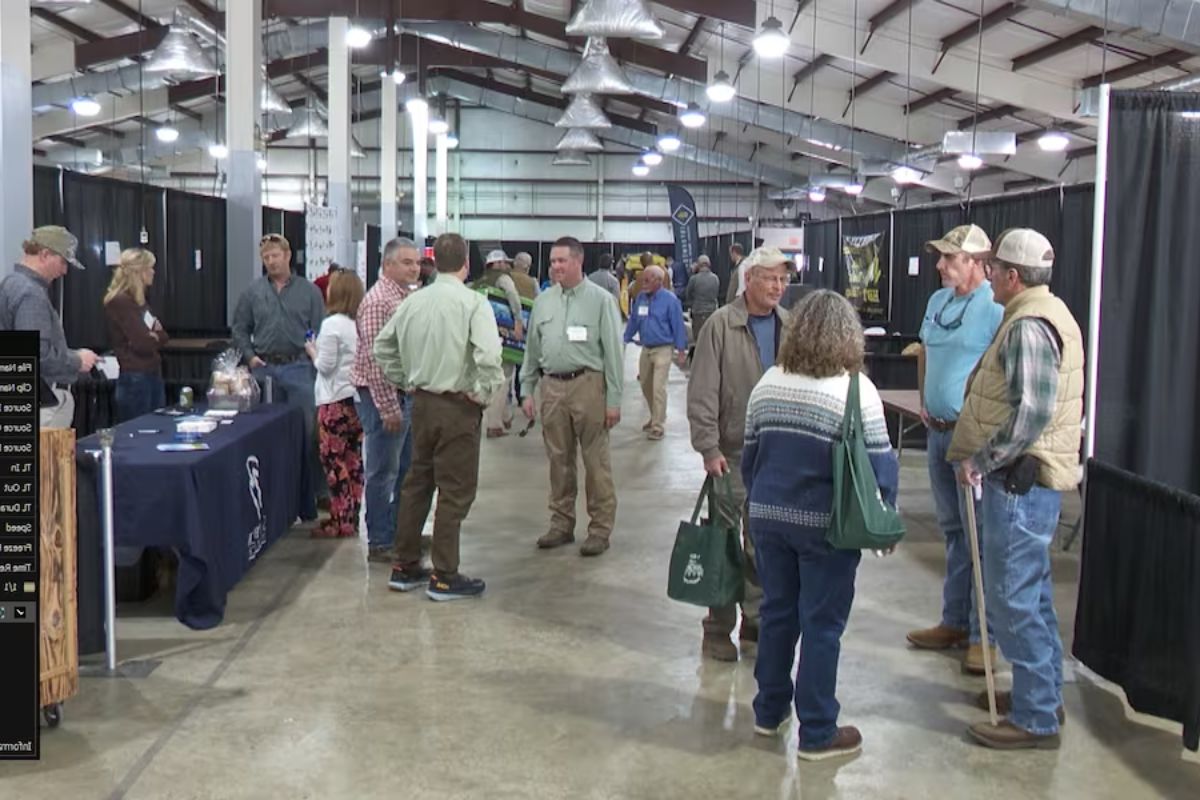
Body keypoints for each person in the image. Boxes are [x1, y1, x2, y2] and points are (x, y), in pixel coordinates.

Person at [743, 289, 898, 761]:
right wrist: (884, 512)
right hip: (827, 527)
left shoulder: (768, 382)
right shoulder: (856, 390)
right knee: (822, 625)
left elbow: (750, 455)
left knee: (776, 614)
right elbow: (880, 466)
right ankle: (817, 732)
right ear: (848, 337)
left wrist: (765, 503)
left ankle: (769, 713)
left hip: (768, 518)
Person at [948, 228, 1083, 751]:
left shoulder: (1029, 324)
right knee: (1033, 594)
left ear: (1012, 276)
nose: (990, 275)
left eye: (994, 267)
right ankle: (1042, 697)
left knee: (1013, 599)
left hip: (1017, 483)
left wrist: (982, 460)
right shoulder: (1050, 313)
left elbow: (1030, 411)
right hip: (1028, 483)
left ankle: (1035, 717)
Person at [375, 233, 505, 601]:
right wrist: (481, 392)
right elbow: (488, 356)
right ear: (466, 263)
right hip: (456, 406)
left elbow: (382, 346)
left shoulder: (413, 302)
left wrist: (404, 379)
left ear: (433, 261)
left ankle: (405, 565)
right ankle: (445, 574)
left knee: (418, 483)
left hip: (422, 404)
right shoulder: (473, 303)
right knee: (455, 490)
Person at [687, 246, 792, 662]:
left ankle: (756, 621)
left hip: (777, 455)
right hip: (730, 454)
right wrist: (708, 447)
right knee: (724, 545)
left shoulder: (790, 325)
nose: (779, 288)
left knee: (763, 546)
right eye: (771, 279)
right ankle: (717, 630)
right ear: (749, 279)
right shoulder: (720, 325)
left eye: (783, 281)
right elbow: (702, 392)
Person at [908, 224, 1004, 675]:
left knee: (980, 538)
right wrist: (924, 397)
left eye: (950, 258)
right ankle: (955, 622)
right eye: (941, 257)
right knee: (952, 531)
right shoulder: (937, 301)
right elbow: (924, 349)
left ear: (977, 263)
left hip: (972, 439)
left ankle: (986, 637)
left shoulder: (995, 308)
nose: (940, 265)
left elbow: (999, 374)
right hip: (938, 432)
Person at [521, 236, 624, 557]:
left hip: (588, 385)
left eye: (561, 261)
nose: (555, 267)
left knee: (596, 462)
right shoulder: (543, 301)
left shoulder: (600, 300)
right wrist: (527, 388)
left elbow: (614, 353)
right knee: (558, 461)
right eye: (552, 262)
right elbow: (532, 350)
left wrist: (613, 400)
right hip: (551, 388)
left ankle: (599, 529)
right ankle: (561, 524)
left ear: (578, 262)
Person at [231, 233, 328, 520]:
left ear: (287, 256)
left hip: (299, 368)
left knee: (309, 433)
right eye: (266, 257)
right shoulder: (252, 293)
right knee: (266, 433)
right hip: (264, 370)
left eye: (275, 255)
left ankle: (315, 492)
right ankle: (272, 494)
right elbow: (239, 328)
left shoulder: (309, 292)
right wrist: (249, 356)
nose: (271, 261)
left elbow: (319, 328)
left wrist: (315, 358)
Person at [352, 237, 421, 561]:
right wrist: (389, 407)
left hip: (404, 395)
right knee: (384, 473)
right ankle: (379, 541)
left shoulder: (404, 296)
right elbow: (377, 359)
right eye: (407, 262)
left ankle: (397, 534)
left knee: (405, 470)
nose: (414, 268)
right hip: (384, 399)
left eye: (417, 262)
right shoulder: (379, 301)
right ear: (388, 265)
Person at [0, 226, 97, 428]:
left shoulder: (10, 284)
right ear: (45, 255)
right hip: (44, 404)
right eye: (63, 262)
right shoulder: (30, 294)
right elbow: (37, 354)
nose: (64, 271)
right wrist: (77, 360)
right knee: (46, 459)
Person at [308, 271, 364, 539]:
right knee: (353, 460)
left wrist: (312, 352)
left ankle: (339, 519)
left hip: (333, 403)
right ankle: (352, 517)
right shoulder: (358, 324)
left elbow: (325, 366)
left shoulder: (332, 325)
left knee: (333, 461)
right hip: (355, 401)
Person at [103, 247, 168, 422]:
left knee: (157, 427)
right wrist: (152, 335)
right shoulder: (121, 302)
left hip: (151, 373)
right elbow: (142, 343)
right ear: (139, 272)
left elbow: (162, 335)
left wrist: (155, 335)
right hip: (135, 378)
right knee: (141, 430)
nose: (153, 272)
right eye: (150, 267)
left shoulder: (139, 302)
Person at [624, 265, 687, 441]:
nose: (642, 283)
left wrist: (681, 349)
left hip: (663, 349)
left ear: (659, 281)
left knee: (658, 388)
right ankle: (654, 416)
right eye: (642, 279)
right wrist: (626, 337)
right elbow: (634, 320)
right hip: (646, 348)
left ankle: (658, 425)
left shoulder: (670, 300)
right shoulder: (641, 298)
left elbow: (678, 325)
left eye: (647, 280)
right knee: (645, 384)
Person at [476, 249, 525, 438]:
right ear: (496, 264)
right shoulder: (503, 279)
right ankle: (494, 424)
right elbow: (513, 297)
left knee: (492, 376)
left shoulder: (478, 282)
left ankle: (505, 416)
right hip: (504, 334)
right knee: (504, 377)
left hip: (484, 335)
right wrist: (518, 321)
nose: (507, 266)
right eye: (504, 263)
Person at [685, 254, 719, 340]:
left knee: (698, 338)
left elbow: (687, 294)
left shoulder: (694, 279)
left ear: (698, 265)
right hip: (712, 311)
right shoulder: (715, 278)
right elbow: (716, 293)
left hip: (698, 311)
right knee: (710, 337)